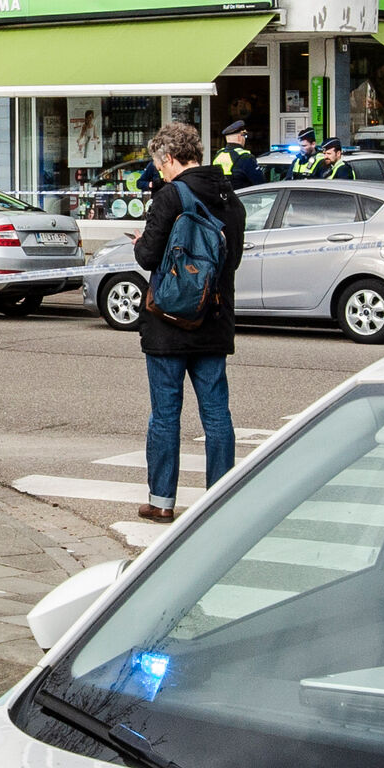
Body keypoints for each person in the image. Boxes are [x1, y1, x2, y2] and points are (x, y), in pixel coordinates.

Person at [131, 122, 246, 523]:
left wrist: (140, 243)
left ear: (169, 159)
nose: (160, 173)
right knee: (216, 414)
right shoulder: (231, 198)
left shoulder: (170, 197)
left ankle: (161, 501)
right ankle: (220, 501)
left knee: (165, 415)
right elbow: (232, 260)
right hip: (213, 319)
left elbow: (148, 256)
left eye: (160, 166)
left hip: (168, 323)